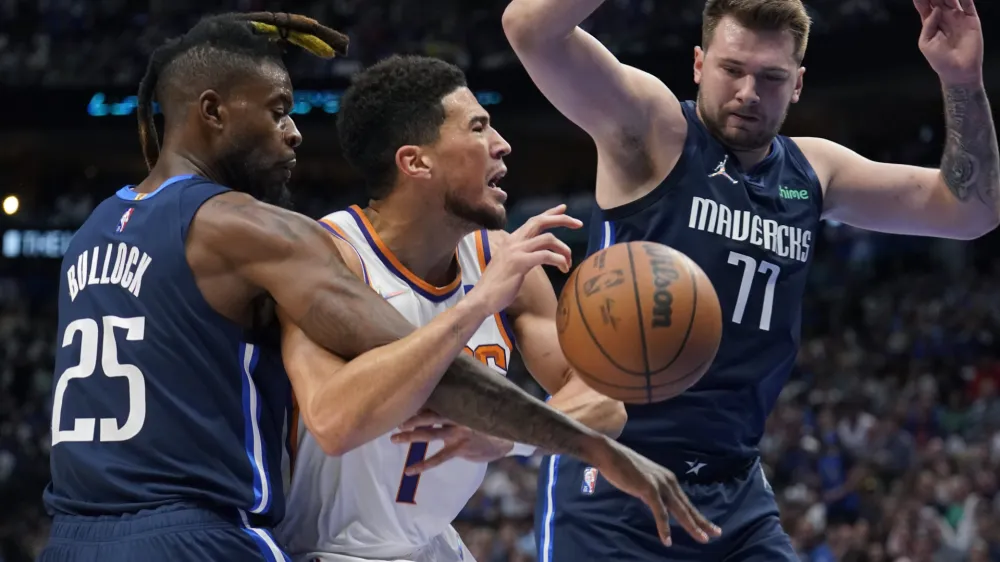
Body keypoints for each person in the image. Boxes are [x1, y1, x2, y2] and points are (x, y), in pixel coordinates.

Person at [40, 12, 715, 562]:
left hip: (81, 529)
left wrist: (508, 438)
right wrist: (592, 446)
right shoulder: (302, 245)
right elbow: (346, 416)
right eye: (277, 109)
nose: (295, 130)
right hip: (279, 542)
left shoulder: (96, 232)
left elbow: (601, 392)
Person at [502, 0, 999, 560]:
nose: (748, 92)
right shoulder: (652, 128)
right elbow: (529, 28)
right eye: (731, 70)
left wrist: (961, 80)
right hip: (612, 475)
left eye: (771, 78)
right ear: (697, 63)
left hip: (733, 491)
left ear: (799, 85)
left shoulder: (815, 171)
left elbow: (970, 210)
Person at [275, 54, 689, 562]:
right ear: (416, 162)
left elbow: (605, 403)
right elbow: (336, 423)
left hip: (431, 546)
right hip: (323, 550)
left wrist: (506, 435)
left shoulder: (498, 257)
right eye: (478, 128)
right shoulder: (328, 253)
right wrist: (478, 304)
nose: (502, 144)